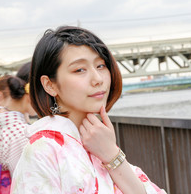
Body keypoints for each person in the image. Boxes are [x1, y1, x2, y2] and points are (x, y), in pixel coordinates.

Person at [11, 26, 166, 194]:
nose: (98, 79)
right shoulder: (43, 150)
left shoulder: (100, 143)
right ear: (50, 85)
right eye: (79, 70)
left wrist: (112, 155)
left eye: (100, 66)